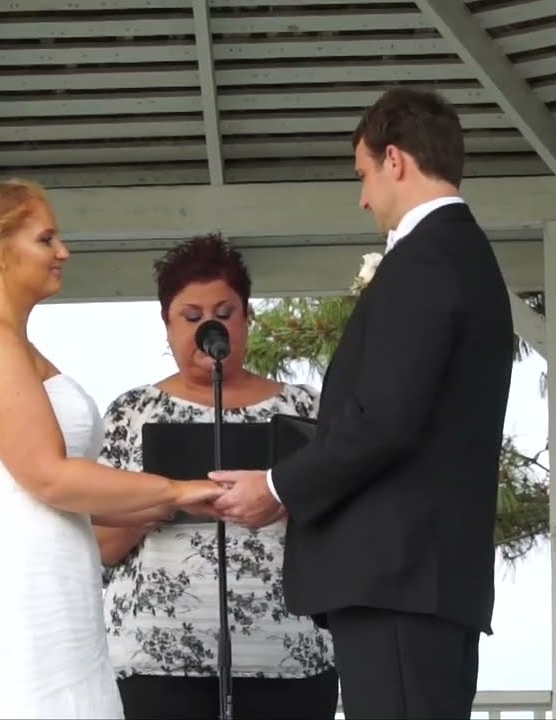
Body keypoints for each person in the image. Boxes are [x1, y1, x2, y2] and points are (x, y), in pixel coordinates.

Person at [0, 179, 226, 719]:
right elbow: (49, 477)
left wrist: (171, 500)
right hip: (16, 586)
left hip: (58, 579)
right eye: (46, 239)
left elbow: (45, 484)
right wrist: (174, 485)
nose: (63, 252)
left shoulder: (14, 345)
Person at [210, 87, 515, 719]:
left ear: (396, 160)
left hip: (399, 578)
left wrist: (278, 485)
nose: (363, 198)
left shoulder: (426, 260)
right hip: (426, 578)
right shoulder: (466, 256)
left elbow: (384, 421)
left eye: (364, 175)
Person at [92, 234, 339, 720]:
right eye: (191, 317)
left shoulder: (305, 407)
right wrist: (171, 497)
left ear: (247, 317)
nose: (209, 327)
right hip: (157, 657)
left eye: (224, 313)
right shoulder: (132, 412)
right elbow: (103, 543)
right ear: (166, 326)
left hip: (288, 651)